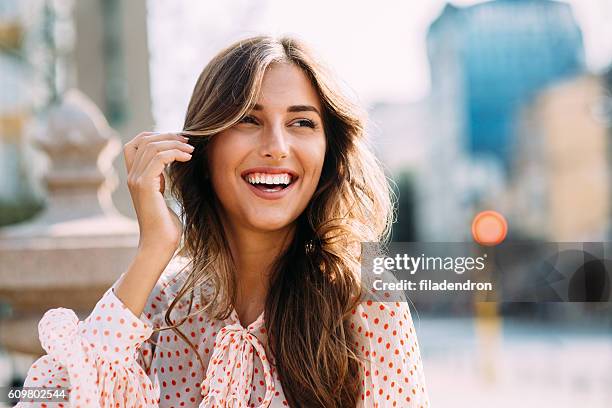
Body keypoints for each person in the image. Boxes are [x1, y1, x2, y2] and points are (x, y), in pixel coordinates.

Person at [16, 35, 430, 407]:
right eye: (248, 119)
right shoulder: (160, 307)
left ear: (328, 154)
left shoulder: (364, 302)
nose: (276, 147)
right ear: (203, 146)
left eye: (301, 122)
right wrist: (153, 250)